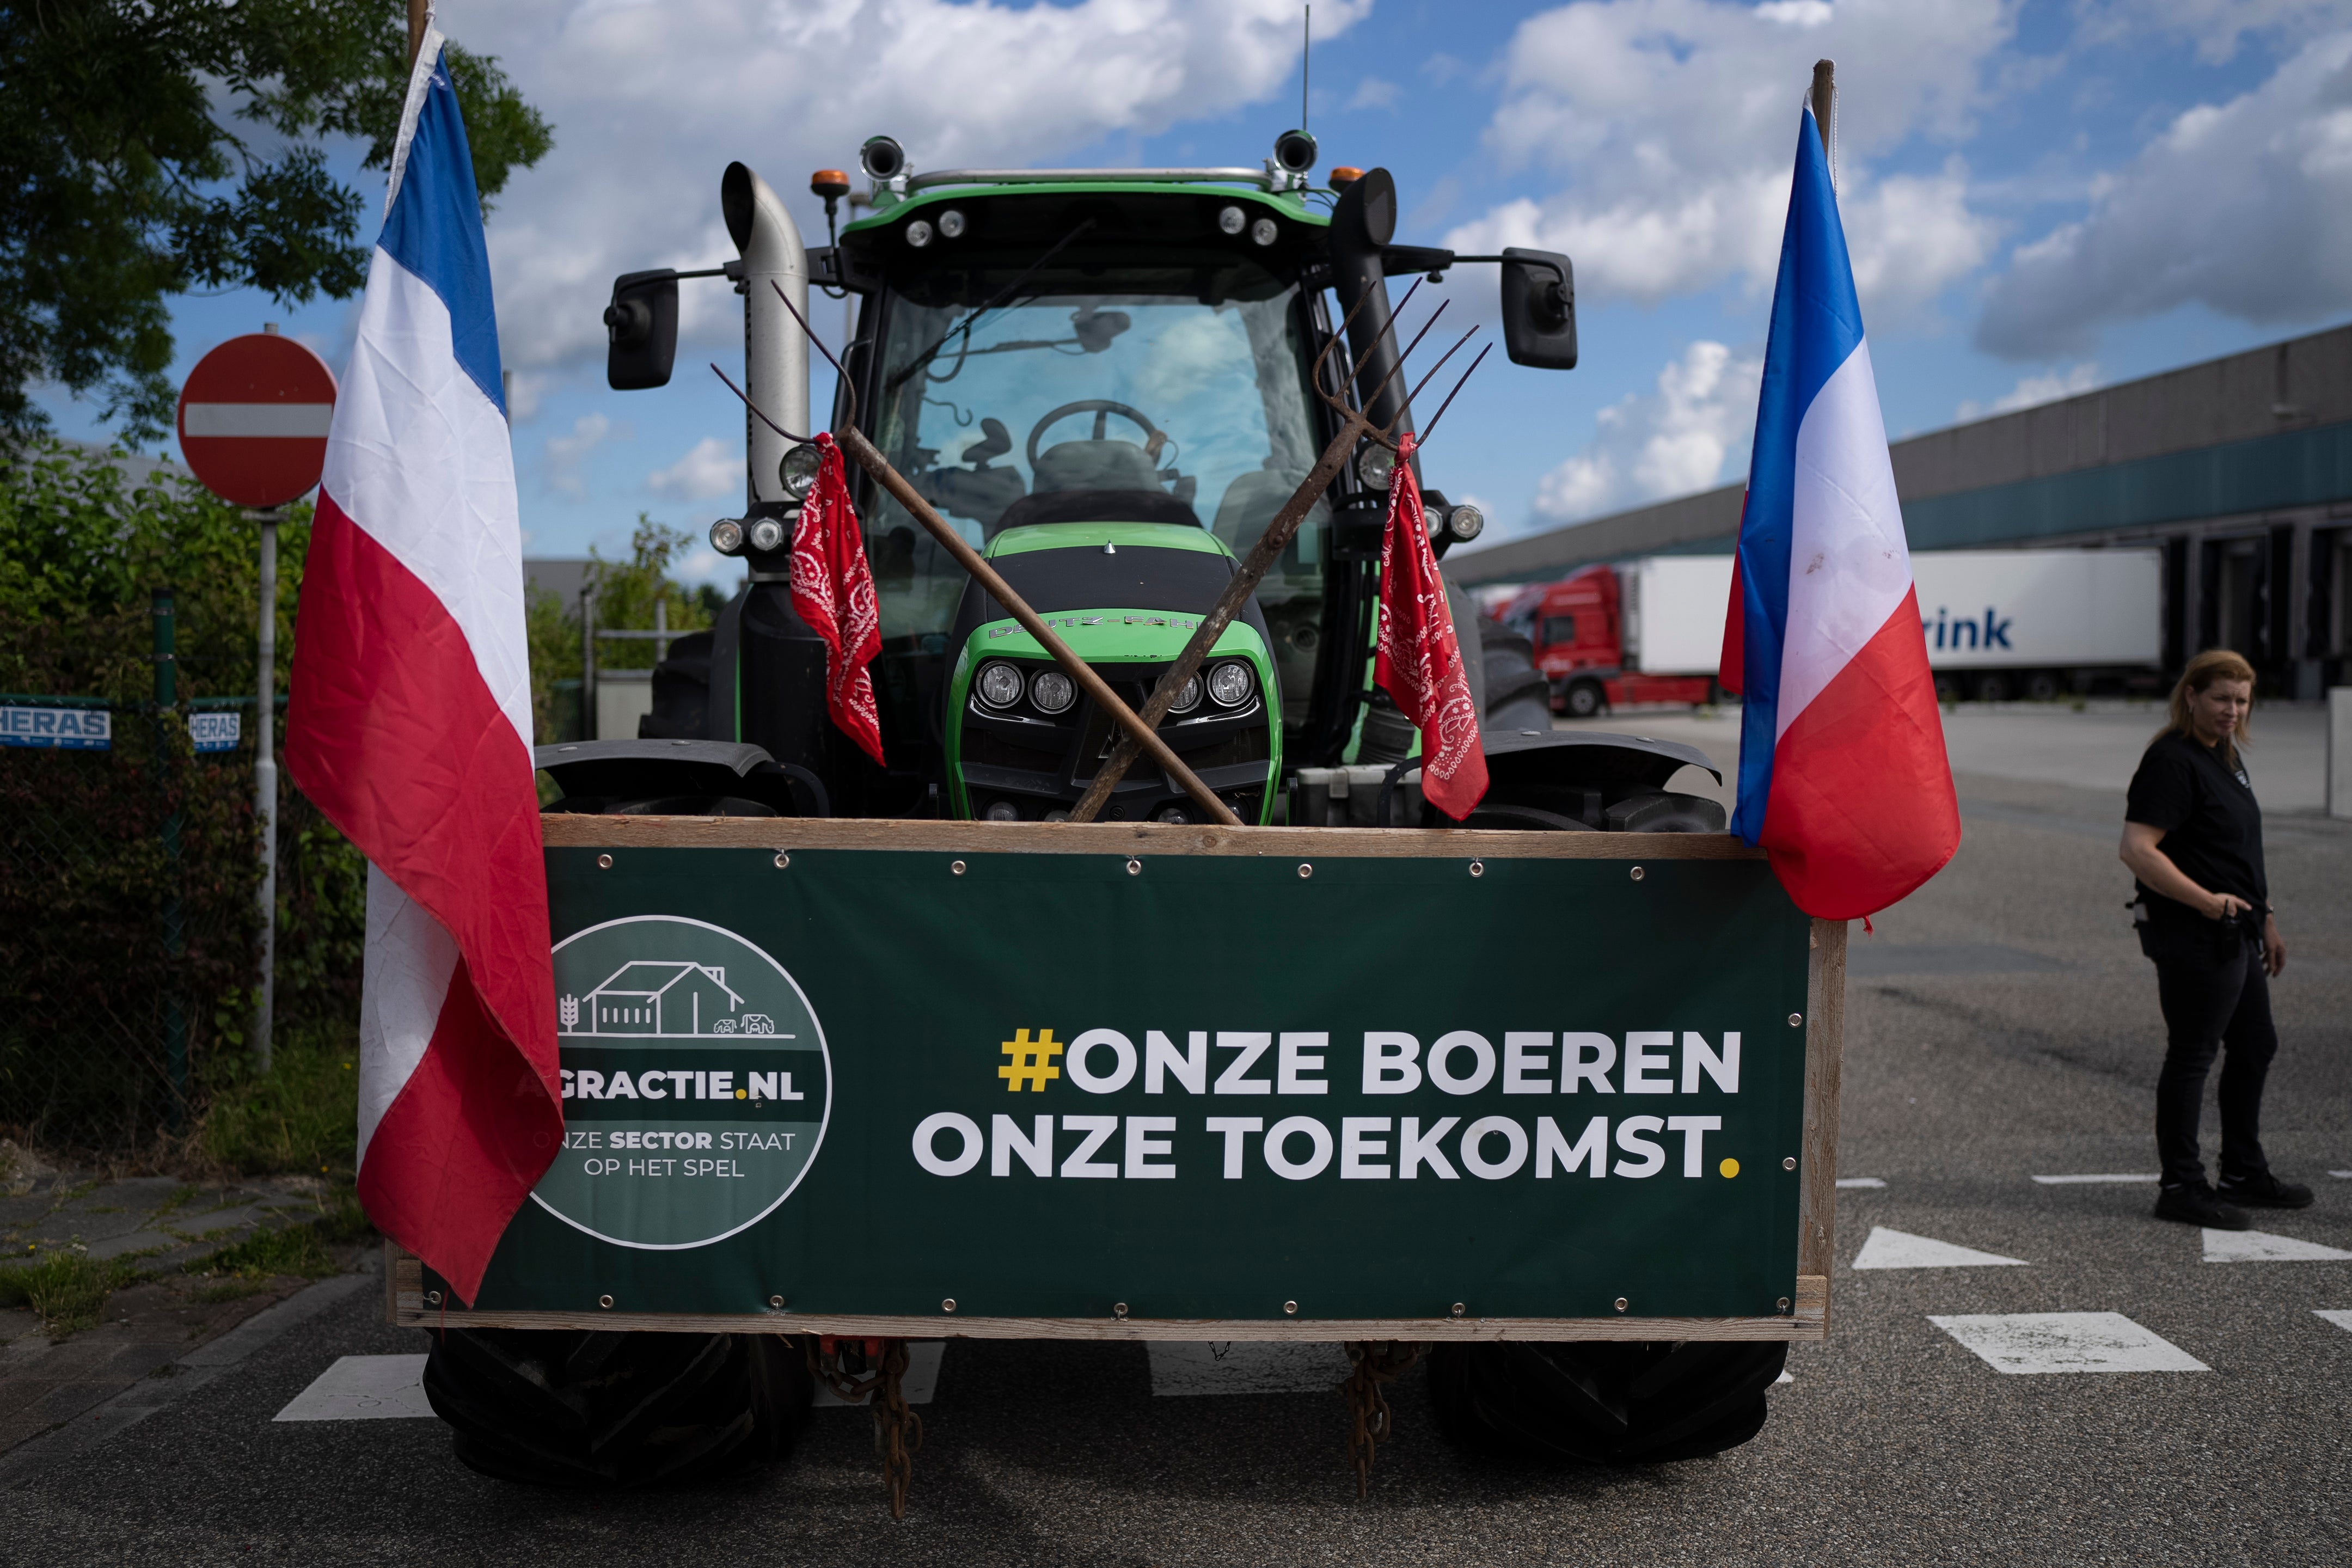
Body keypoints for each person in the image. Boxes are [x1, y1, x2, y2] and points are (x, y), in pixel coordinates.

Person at [2118, 649, 2310, 1229]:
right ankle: (2180, 1185)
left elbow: (2239, 853)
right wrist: (2206, 902)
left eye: (2242, 701)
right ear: (2193, 696)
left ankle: (2242, 1171)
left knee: (2255, 1045)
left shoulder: (2225, 754)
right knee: (2193, 1054)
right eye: (2222, 698)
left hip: (2238, 929)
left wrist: (2267, 918)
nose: (2232, 710)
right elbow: (2137, 849)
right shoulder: (2172, 761)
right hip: (2193, 933)